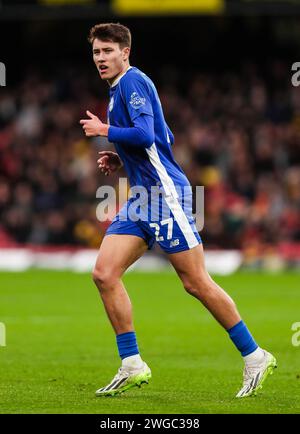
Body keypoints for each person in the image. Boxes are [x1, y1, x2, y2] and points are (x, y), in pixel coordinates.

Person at [80, 22, 276, 398]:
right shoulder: (118, 88)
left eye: (107, 51)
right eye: (96, 52)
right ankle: (131, 363)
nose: (101, 58)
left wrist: (106, 129)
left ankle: (255, 356)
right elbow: (163, 138)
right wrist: (122, 159)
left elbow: (148, 135)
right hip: (141, 197)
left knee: (195, 282)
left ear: (125, 53)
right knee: (104, 274)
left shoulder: (133, 82)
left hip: (164, 196)